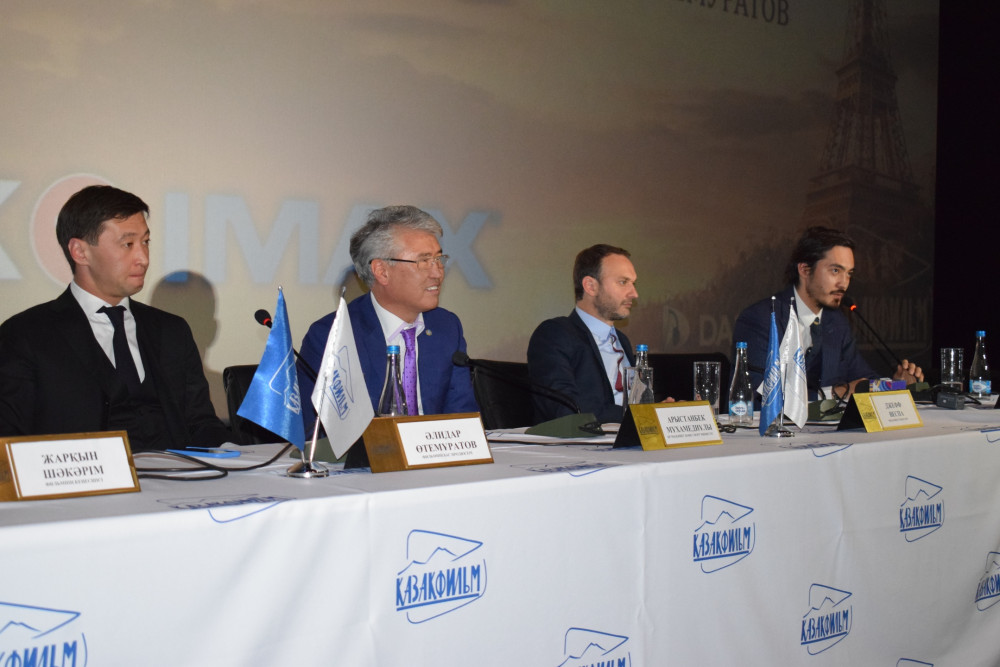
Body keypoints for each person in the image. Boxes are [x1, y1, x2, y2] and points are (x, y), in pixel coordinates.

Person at [0, 185, 232, 450]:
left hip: (178, 473)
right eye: (128, 244)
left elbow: (200, 423)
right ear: (80, 252)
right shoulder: (26, 335)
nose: (143, 258)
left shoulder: (172, 330)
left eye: (146, 242)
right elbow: (10, 438)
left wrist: (236, 453)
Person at [299, 205, 478, 464]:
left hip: (437, 467)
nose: (437, 272)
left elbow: (462, 417)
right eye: (423, 261)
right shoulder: (333, 336)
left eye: (439, 259)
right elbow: (317, 433)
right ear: (382, 271)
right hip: (366, 472)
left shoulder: (446, 327)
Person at [732, 226, 923, 402]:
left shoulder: (837, 323)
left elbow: (863, 380)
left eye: (849, 273)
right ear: (804, 269)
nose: (844, 283)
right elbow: (756, 395)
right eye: (835, 271)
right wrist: (835, 394)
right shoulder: (762, 319)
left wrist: (895, 384)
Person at [527, 244, 638, 424]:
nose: (634, 293)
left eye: (633, 283)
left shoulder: (622, 340)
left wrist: (659, 411)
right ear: (590, 286)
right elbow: (567, 410)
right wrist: (640, 415)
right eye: (623, 282)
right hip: (585, 440)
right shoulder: (555, 334)